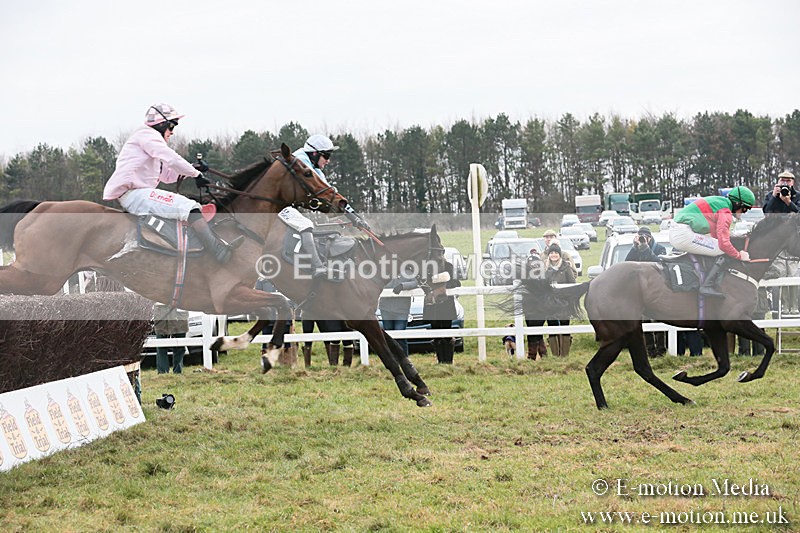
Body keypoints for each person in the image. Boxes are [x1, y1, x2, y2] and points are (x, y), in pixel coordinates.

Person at [103, 104, 242, 264]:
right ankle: (218, 251)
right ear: (161, 124)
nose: (172, 131)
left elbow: (168, 176)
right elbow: (172, 158)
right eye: (172, 126)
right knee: (190, 207)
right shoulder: (147, 135)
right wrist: (195, 174)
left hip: (138, 194)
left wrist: (194, 167)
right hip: (134, 195)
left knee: (190, 206)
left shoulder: (149, 143)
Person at [276, 134, 370, 279]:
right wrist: (353, 217)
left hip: (286, 204)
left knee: (309, 224)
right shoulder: (302, 163)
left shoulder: (313, 167)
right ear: (314, 153)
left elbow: (332, 195)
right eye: (326, 156)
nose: (328, 160)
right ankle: (318, 267)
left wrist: (355, 216)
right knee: (305, 224)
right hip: (277, 205)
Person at [669, 185, 755, 297]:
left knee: (716, 246)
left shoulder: (720, 203)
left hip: (680, 231)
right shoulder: (725, 211)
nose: (744, 212)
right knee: (722, 250)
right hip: (683, 234)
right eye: (745, 208)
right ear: (738, 203)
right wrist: (739, 256)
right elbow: (723, 244)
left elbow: (717, 236)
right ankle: (706, 285)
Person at [624, 226, 668, 357]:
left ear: (650, 237)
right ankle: (650, 350)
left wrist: (646, 249)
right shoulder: (635, 249)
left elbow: (659, 264)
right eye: (641, 237)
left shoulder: (659, 248)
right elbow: (627, 263)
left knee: (658, 320)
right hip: (640, 291)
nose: (644, 239)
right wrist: (635, 247)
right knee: (645, 321)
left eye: (646, 237)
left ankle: (661, 349)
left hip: (656, 289)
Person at [763, 170, 800, 313]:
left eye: (788, 181)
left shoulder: (798, 196)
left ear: (793, 182)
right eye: (782, 180)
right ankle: (782, 308)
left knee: (794, 274)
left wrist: (789, 202)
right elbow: (767, 213)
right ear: (778, 181)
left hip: (793, 242)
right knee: (780, 273)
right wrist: (774, 197)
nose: (785, 183)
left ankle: (795, 307)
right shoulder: (771, 195)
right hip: (776, 242)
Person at [423, 262, 461, 364]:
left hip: (446, 305)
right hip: (433, 306)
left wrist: (443, 285)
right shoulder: (427, 267)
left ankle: (448, 361)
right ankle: (440, 360)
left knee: (447, 333)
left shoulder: (448, 266)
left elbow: (456, 283)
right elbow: (424, 284)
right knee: (436, 334)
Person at [543, 244, 576, 356]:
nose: (554, 255)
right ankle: (555, 354)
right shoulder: (545, 268)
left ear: (559, 254)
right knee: (552, 325)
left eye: (556, 253)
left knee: (564, 324)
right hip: (550, 302)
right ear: (549, 255)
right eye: (551, 253)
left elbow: (572, 283)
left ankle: (564, 354)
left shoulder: (566, 267)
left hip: (563, 302)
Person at [379, 275, 419, 357]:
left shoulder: (408, 271)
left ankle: (404, 359)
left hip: (401, 309)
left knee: (400, 335)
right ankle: (392, 359)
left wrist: (402, 286)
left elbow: (415, 282)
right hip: (386, 308)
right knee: (388, 336)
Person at [153, 303, 189, 374]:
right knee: (161, 347)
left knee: (179, 346)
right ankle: (163, 372)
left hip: (179, 315)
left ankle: (178, 371)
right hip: (161, 313)